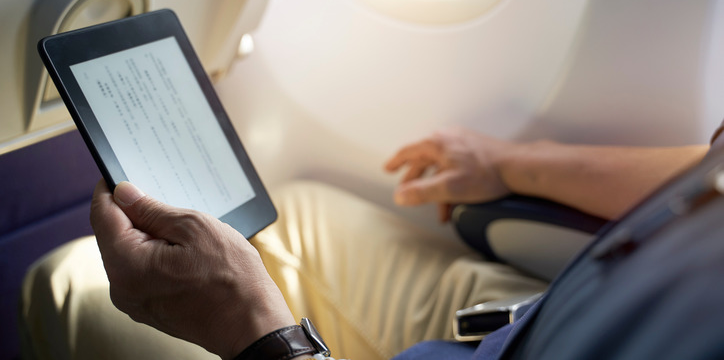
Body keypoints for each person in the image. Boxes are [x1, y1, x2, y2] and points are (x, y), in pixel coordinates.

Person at [79, 127, 710, 360]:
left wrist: (254, 330)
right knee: (292, 215)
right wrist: (517, 163)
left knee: (72, 291)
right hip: (531, 316)